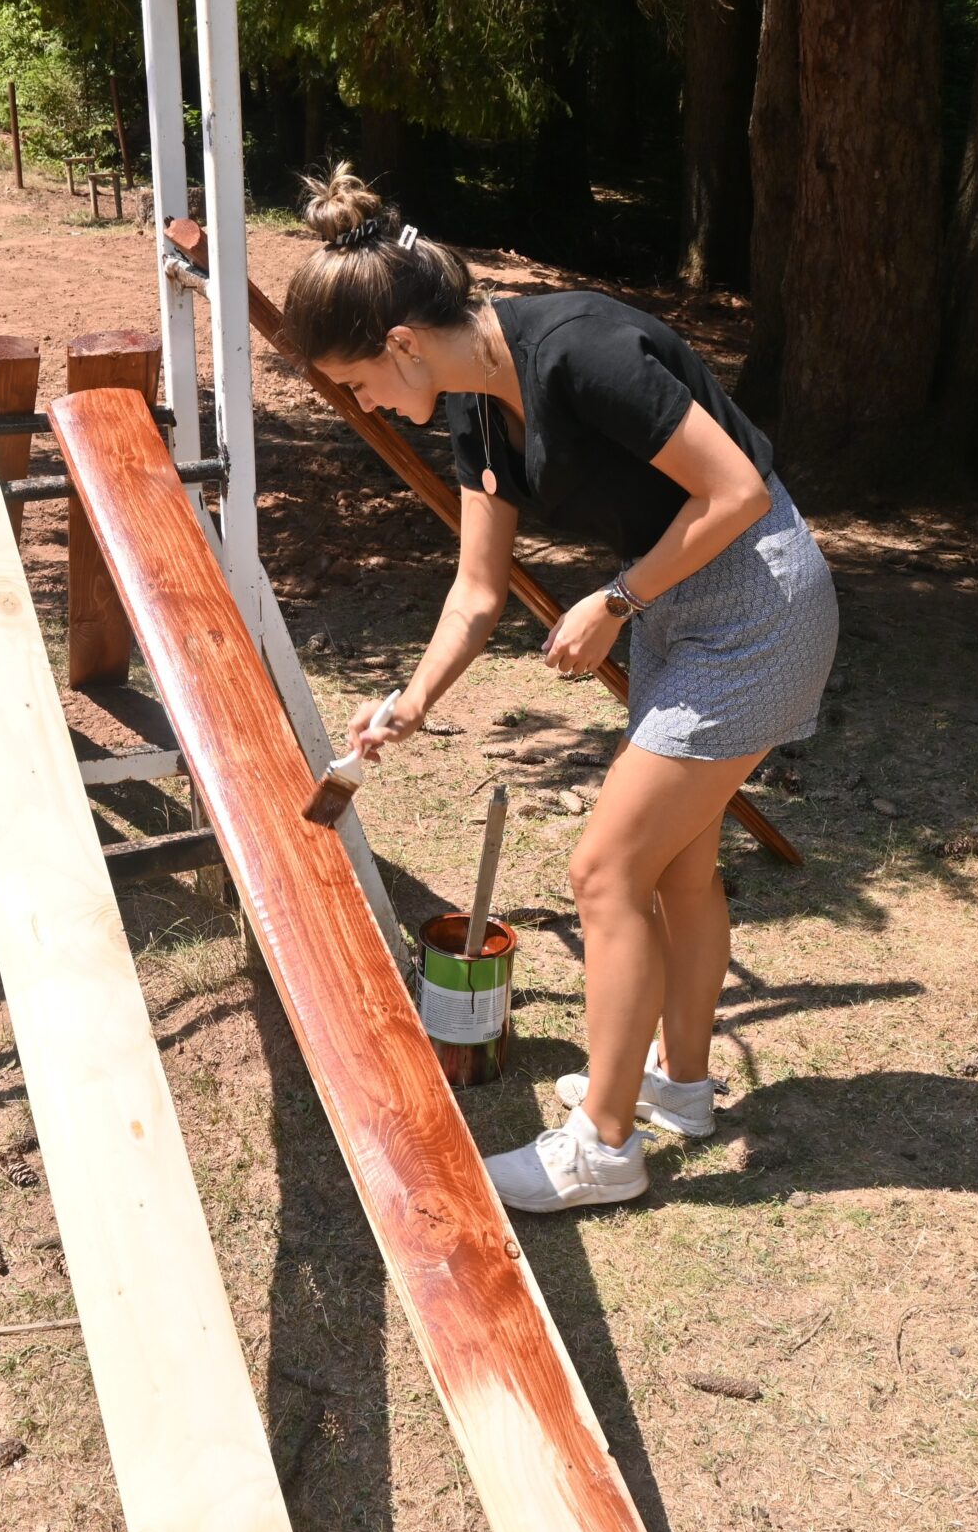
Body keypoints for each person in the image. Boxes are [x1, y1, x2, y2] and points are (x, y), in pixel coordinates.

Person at [277, 165, 841, 1214]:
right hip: (679, 611)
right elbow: (477, 589)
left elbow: (735, 490)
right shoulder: (474, 409)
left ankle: (602, 1150)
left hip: (757, 605)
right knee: (676, 869)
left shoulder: (581, 349)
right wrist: (412, 701)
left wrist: (617, 601)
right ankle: (680, 1089)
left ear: (400, 342)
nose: (364, 403)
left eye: (356, 381)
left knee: (604, 869)